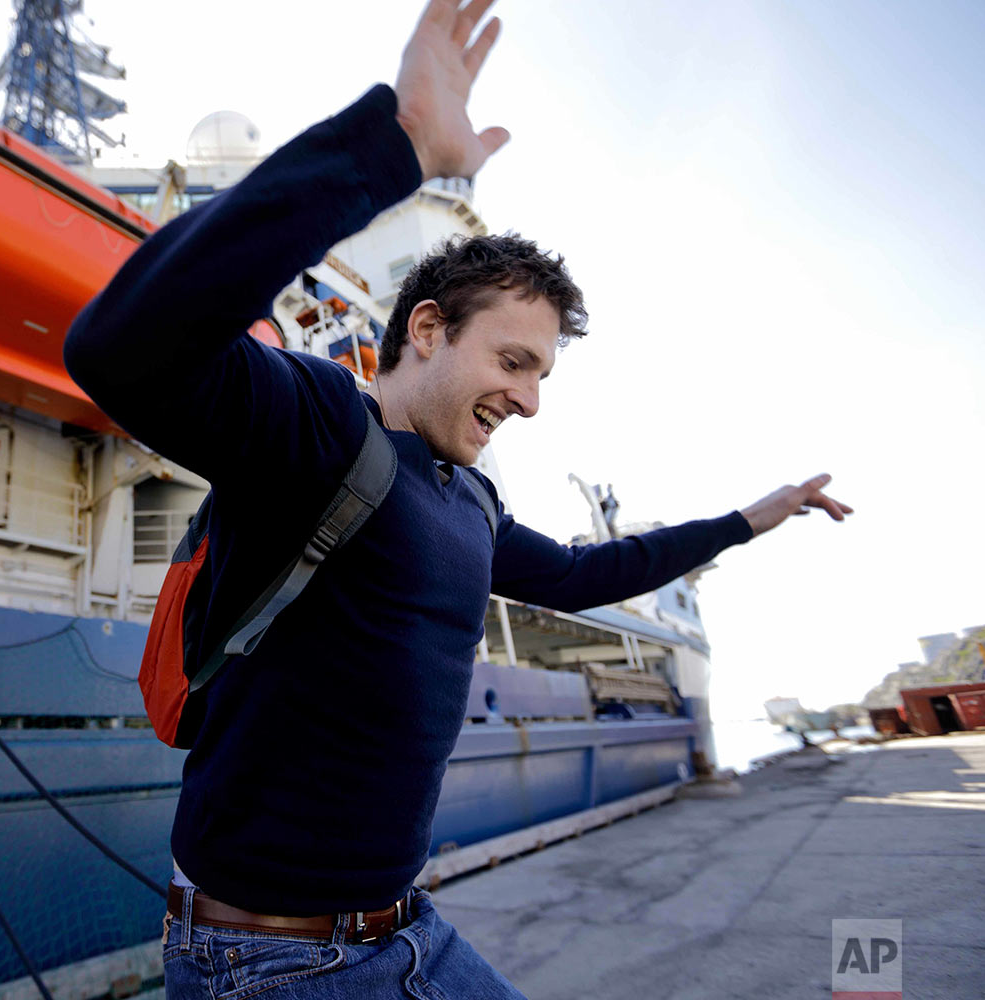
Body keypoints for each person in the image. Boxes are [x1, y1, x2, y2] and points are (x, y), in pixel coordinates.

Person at [61, 2, 851, 997]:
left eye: (541, 377)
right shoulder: (317, 425)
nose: (527, 398)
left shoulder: (469, 500)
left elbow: (587, 571)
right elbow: (116, 349)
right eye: (514, 361)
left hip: (405, 927)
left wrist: (752, 517)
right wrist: (390, 145)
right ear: (426, 328)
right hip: (267, 960)